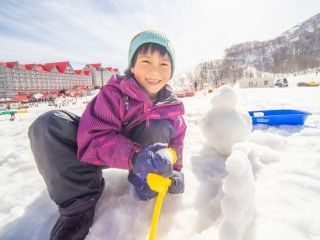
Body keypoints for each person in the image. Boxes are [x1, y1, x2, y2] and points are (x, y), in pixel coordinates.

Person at [28, 29, 186, 240]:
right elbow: (92, 137)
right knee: (49, 125)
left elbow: (175, 148)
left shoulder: (173, 110)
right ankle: (80, 205)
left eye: (164, 64)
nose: (155, 71)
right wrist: (135, 156)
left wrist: (174, 172)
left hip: (142, 161)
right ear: (132, 65)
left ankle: (146, 182)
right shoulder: (115, 93)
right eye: (146, 62)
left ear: (171, 71)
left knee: (160, 126)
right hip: (99, 151)